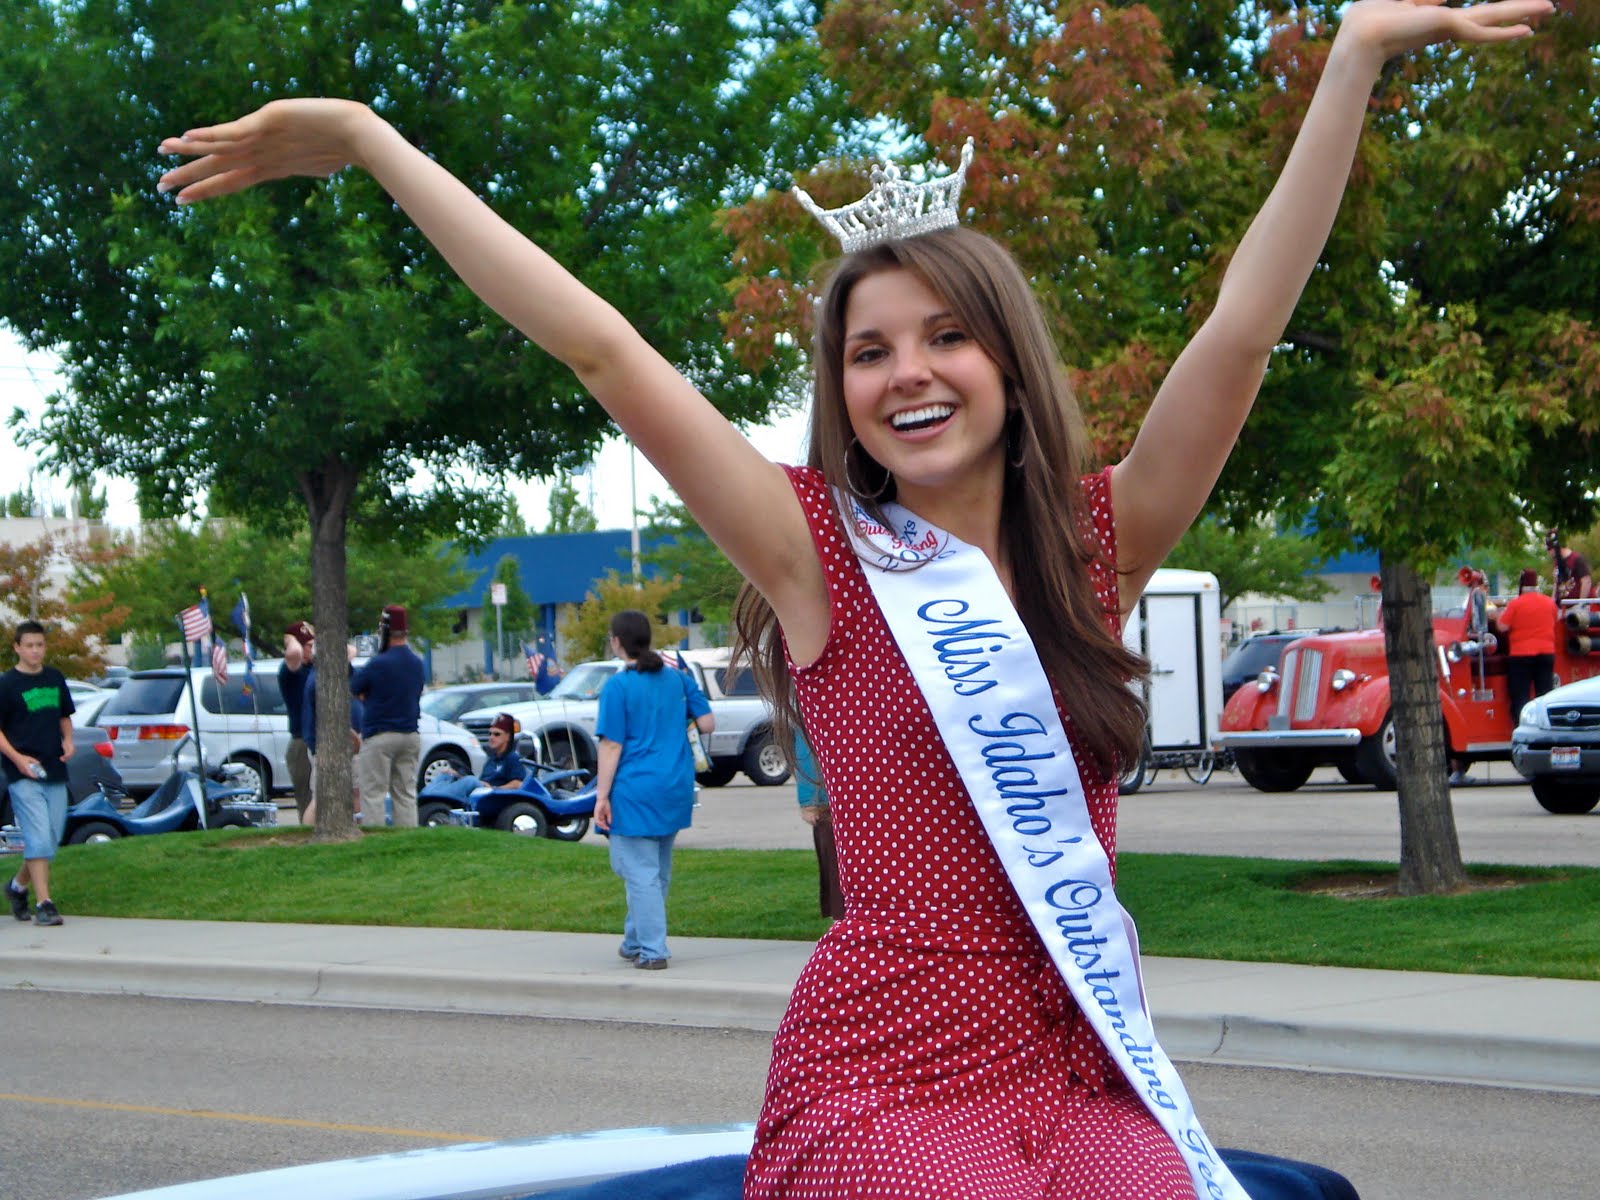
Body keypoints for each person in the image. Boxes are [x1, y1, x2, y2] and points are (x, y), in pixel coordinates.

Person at [156, 5, 1552, 1191]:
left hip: (1082, 1059)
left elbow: (1243, 328)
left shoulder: (1097, 536)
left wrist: (1356, 56)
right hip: (889, 1066)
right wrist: (370, 140)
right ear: (840, 392)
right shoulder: (810, 549)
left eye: (948, 336)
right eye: (870, 351)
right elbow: (599, 345)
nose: (911, 374)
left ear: (1008, 363)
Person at [593, 611, 714, 972]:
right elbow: (708, 723)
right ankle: (634, 940)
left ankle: (652, 949)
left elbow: (611, 745)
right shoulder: (677, 679)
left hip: (635, 787)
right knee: (654, 870)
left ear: (617, 641)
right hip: (674, 783)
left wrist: (601, 797)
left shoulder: (618, 686)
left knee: (639, 871)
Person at [0, 620, 75, 926]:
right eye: (28, 645)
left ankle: (17, 888)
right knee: (38, 837)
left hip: (54, 768)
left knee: (50, 840)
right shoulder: (7, 684)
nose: (35, 651)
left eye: (39, 645)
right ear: (17, 648)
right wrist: (17, 759)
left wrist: (68, 740)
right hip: (23, 771)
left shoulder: (55, 678)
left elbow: (64, 715)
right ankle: (45, 904)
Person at [349, 604, 426, 827]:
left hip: (380, 735)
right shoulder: (417, 663)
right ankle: (408, 839)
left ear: (384, 631)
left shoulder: (378, 663)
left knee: (373, 793)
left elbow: (355, 687)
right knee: (406, 793)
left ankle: (376, 840)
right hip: (410, 734)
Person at [300, 644, 363, 826]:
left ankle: (355, 830)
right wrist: (353, 738)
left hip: (343, 744)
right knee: (322, 797)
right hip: (330, 746)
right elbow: (332, 717)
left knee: (355, 792)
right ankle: (310, 834)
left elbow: (352, 651)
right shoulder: (320, 682)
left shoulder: (338, 677)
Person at [1497, 568, 1560, 727]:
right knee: (1545, 695)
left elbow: (1502, 627)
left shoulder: (1516, 604)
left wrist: (1496, 615)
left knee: (1520, 696)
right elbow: (1557, 618)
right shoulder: (1548, 602)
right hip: (1546, 653)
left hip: (1521, 655)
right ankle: (1545, 728)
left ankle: (1522, 727)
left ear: (1521, 585)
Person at [792, 731, 843, 920]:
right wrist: (809, 800)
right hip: (829, 804)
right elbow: (805, 753)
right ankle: (844, 923)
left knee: (838, 870)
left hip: (838, 801)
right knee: (837, 870)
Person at [279, 619, 315, 822]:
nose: (314, 648)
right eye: (309, 645)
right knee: (307, 799)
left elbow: (350, 651)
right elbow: (294, 654)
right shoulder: (291, 672)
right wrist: (291, 638)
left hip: (316, 741)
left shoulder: (315, 669)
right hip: (301, 743)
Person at [1549, 530, 1594, 602]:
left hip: (1576, 605)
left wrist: (1581, 603)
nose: (1549, 553)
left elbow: (1586, 581)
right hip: (1563, 605)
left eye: (1549, 550)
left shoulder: (1576, 559)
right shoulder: (1557, 562)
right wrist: (1552, 601)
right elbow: (1556, 583)